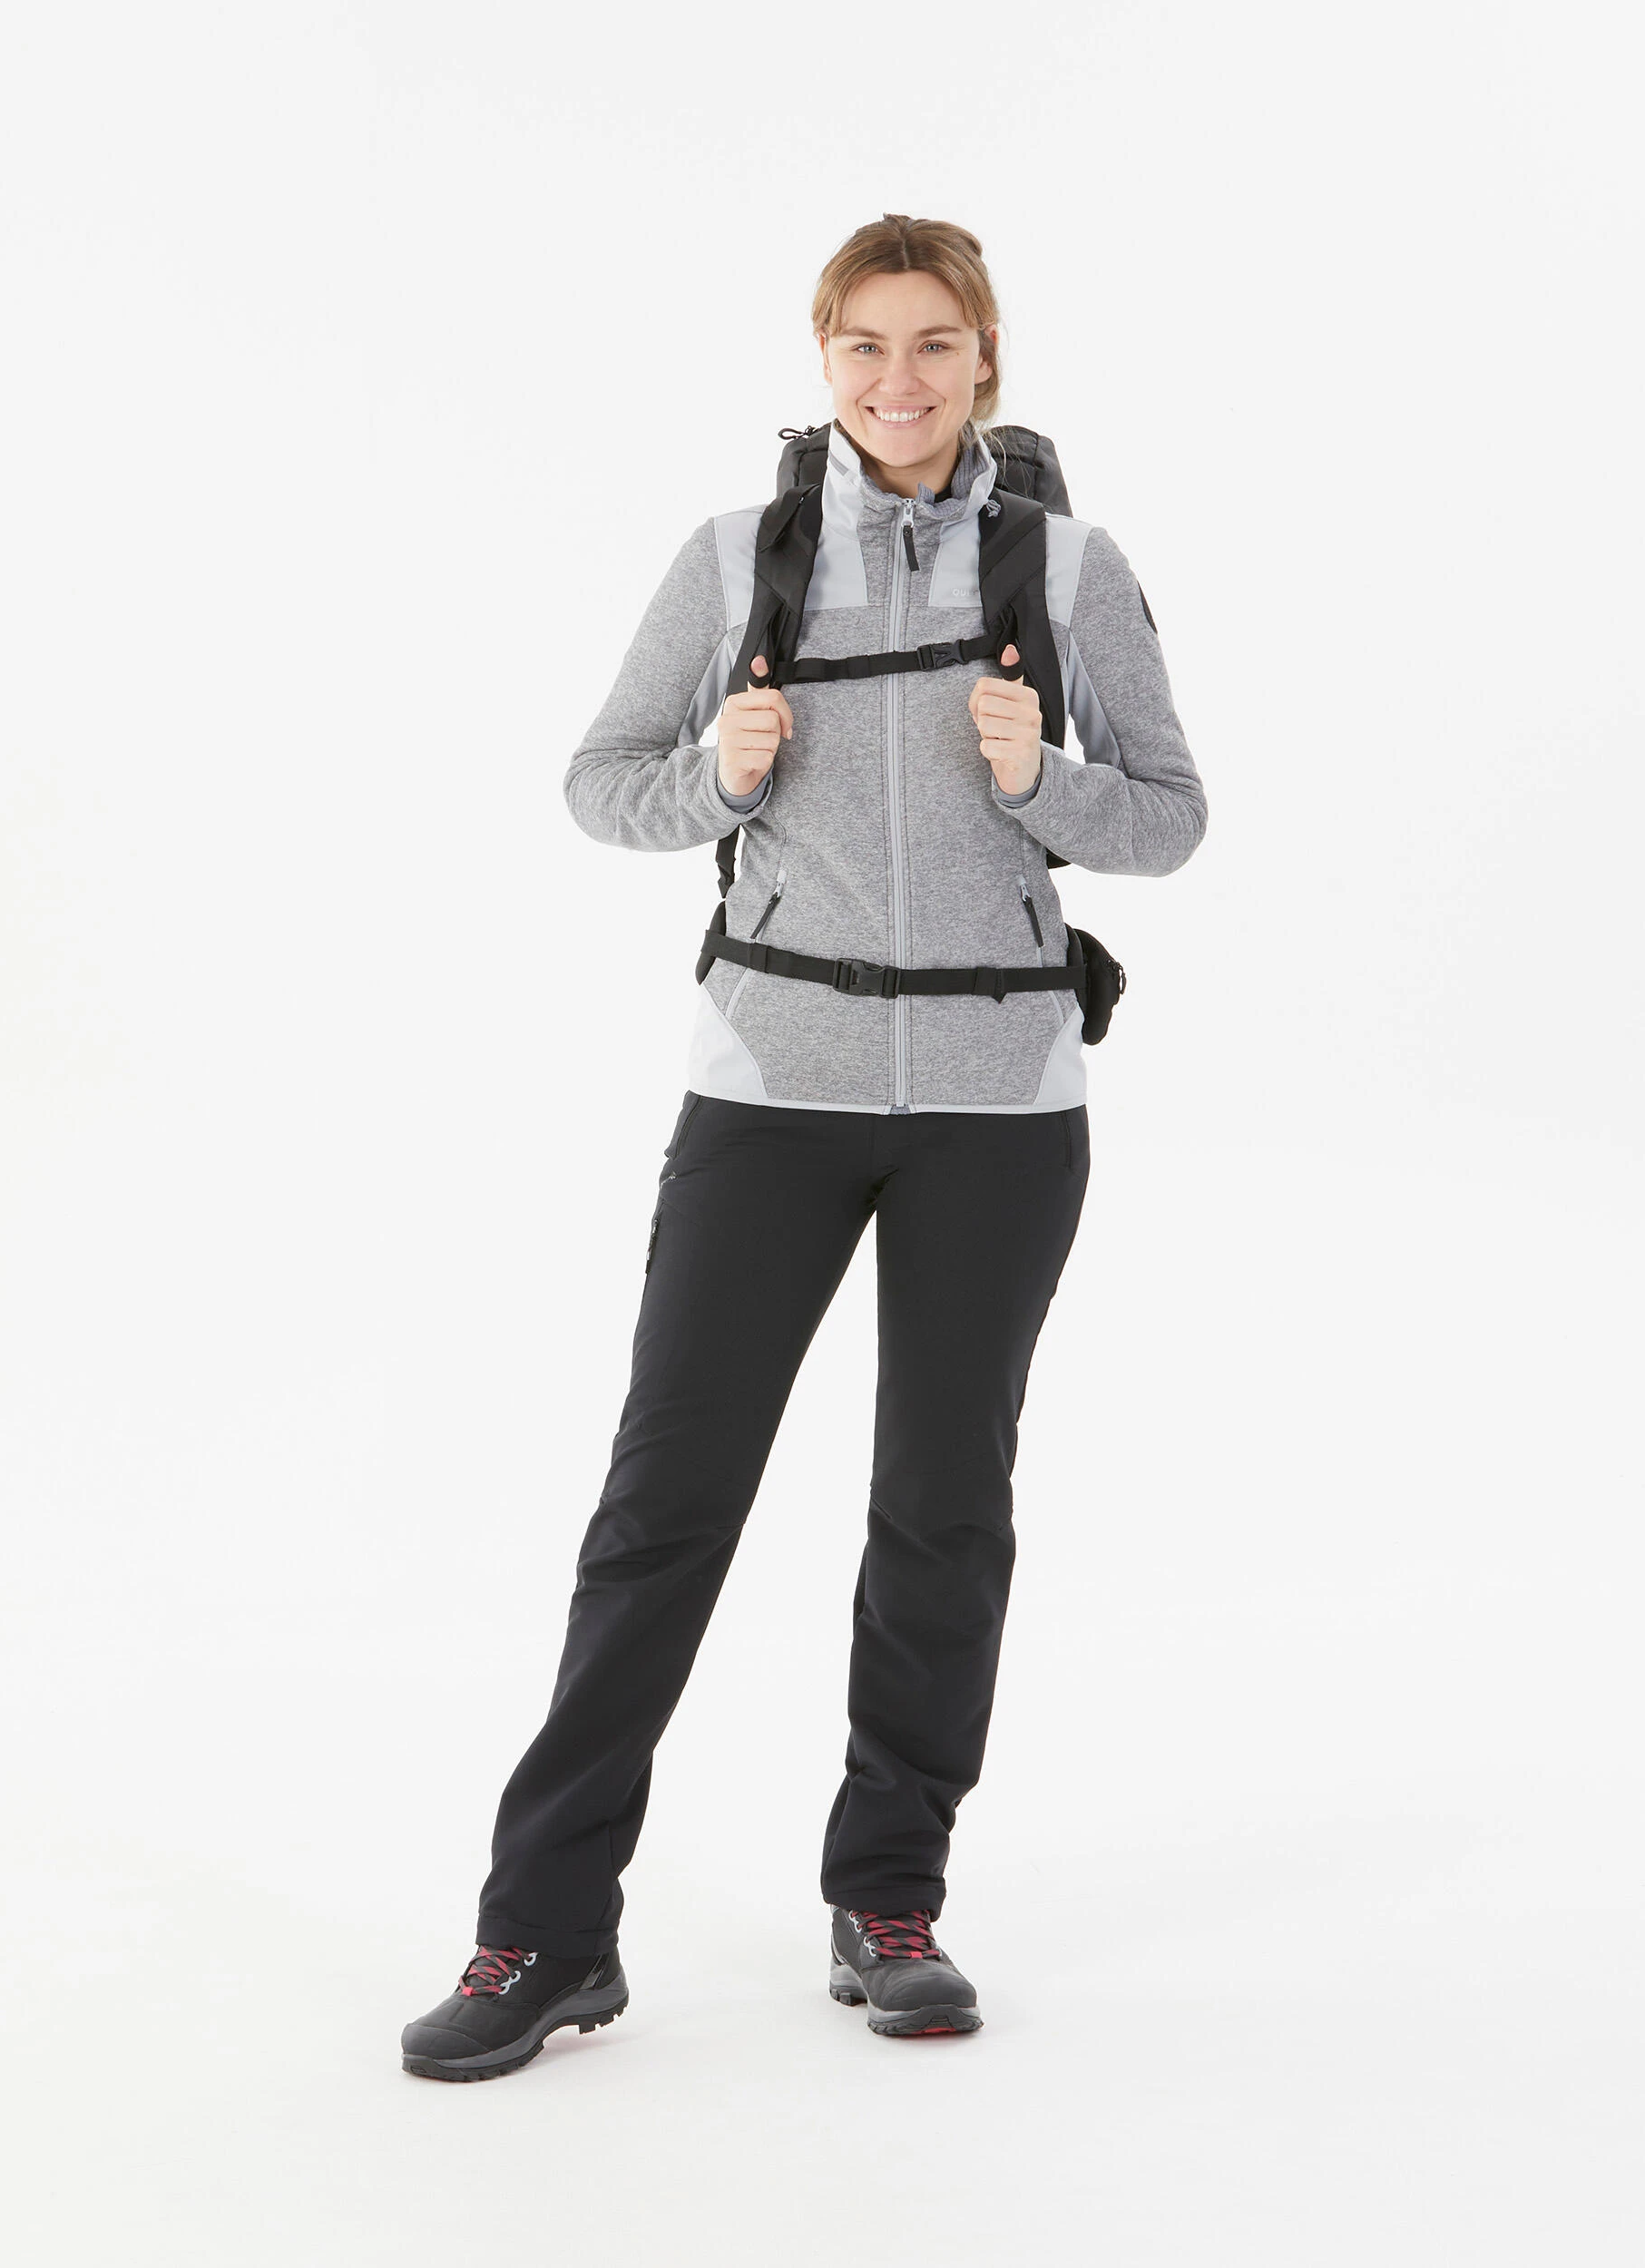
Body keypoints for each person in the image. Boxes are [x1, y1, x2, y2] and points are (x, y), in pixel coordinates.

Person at [400, 214, 1208, 2082]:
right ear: (823, 359)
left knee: (942, 1509)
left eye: (933, 347)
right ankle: (546, 1931)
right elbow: (601, 781)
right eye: (864, 347)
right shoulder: (731, 559)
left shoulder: (1072, 568)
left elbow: (1171, 819)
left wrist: (1041, 780)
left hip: (1000, 1109)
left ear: (984, 360)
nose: (897, 383)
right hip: (769, 1092)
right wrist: (721, 777)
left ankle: (888, 1897)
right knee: (662, 1509)